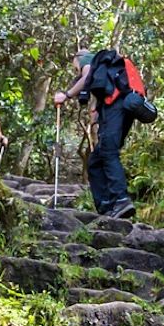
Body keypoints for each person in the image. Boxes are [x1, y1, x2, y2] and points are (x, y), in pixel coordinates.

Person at [55, 49, 137, 219]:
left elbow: (87, 76)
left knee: (108, 152)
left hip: (118, 105)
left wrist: (67, 94)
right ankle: (106, 206)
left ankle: (121, 199)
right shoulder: (108, 68)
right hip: (126, 106)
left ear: (76, 60)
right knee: (96, 160)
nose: (76, 70)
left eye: (74, 68)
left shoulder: (86, 59)